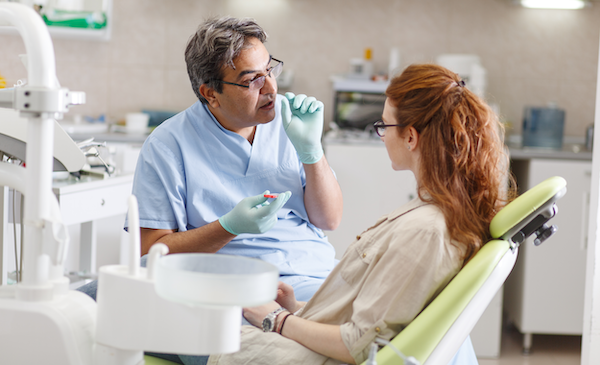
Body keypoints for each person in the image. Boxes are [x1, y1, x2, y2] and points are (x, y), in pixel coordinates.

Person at [188, 63, 510, 365]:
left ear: (411, 137)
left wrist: (277, 319)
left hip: (322, 356)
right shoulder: (435, 212)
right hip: (317, 332)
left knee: (188, 334)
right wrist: (298, 308)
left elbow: (358, 342)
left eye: (384, 125)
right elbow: (375, 315)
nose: (382, 134)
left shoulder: (425, 231)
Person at [77, 16, 343, 304]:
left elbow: (329, 219)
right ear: (210, 94)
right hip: (230, 287)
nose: (270, 88)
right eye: (252, 79)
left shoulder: (290, 121)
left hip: (313, 276)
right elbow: (151, 254)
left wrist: (312, 153)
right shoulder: (169, 144)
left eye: (270, 70)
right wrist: (229, 226)